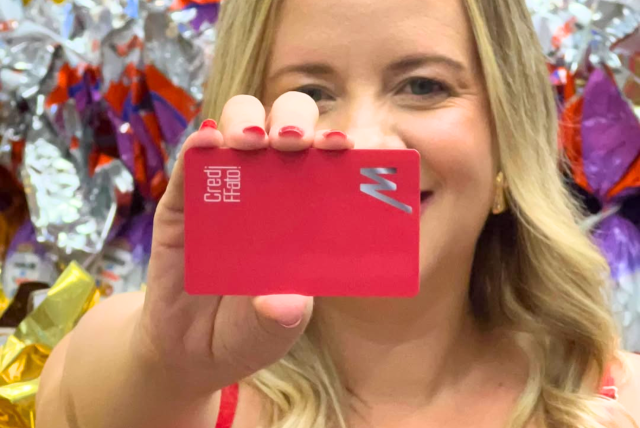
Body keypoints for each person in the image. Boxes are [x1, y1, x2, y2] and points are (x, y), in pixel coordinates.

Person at [35, 0, 640, 427]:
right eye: (312, 94)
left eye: (423, 86)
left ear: (508, 135)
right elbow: (86, 391)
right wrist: (165, 370)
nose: (365, 142)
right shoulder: (172, 371)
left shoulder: (619, 401)